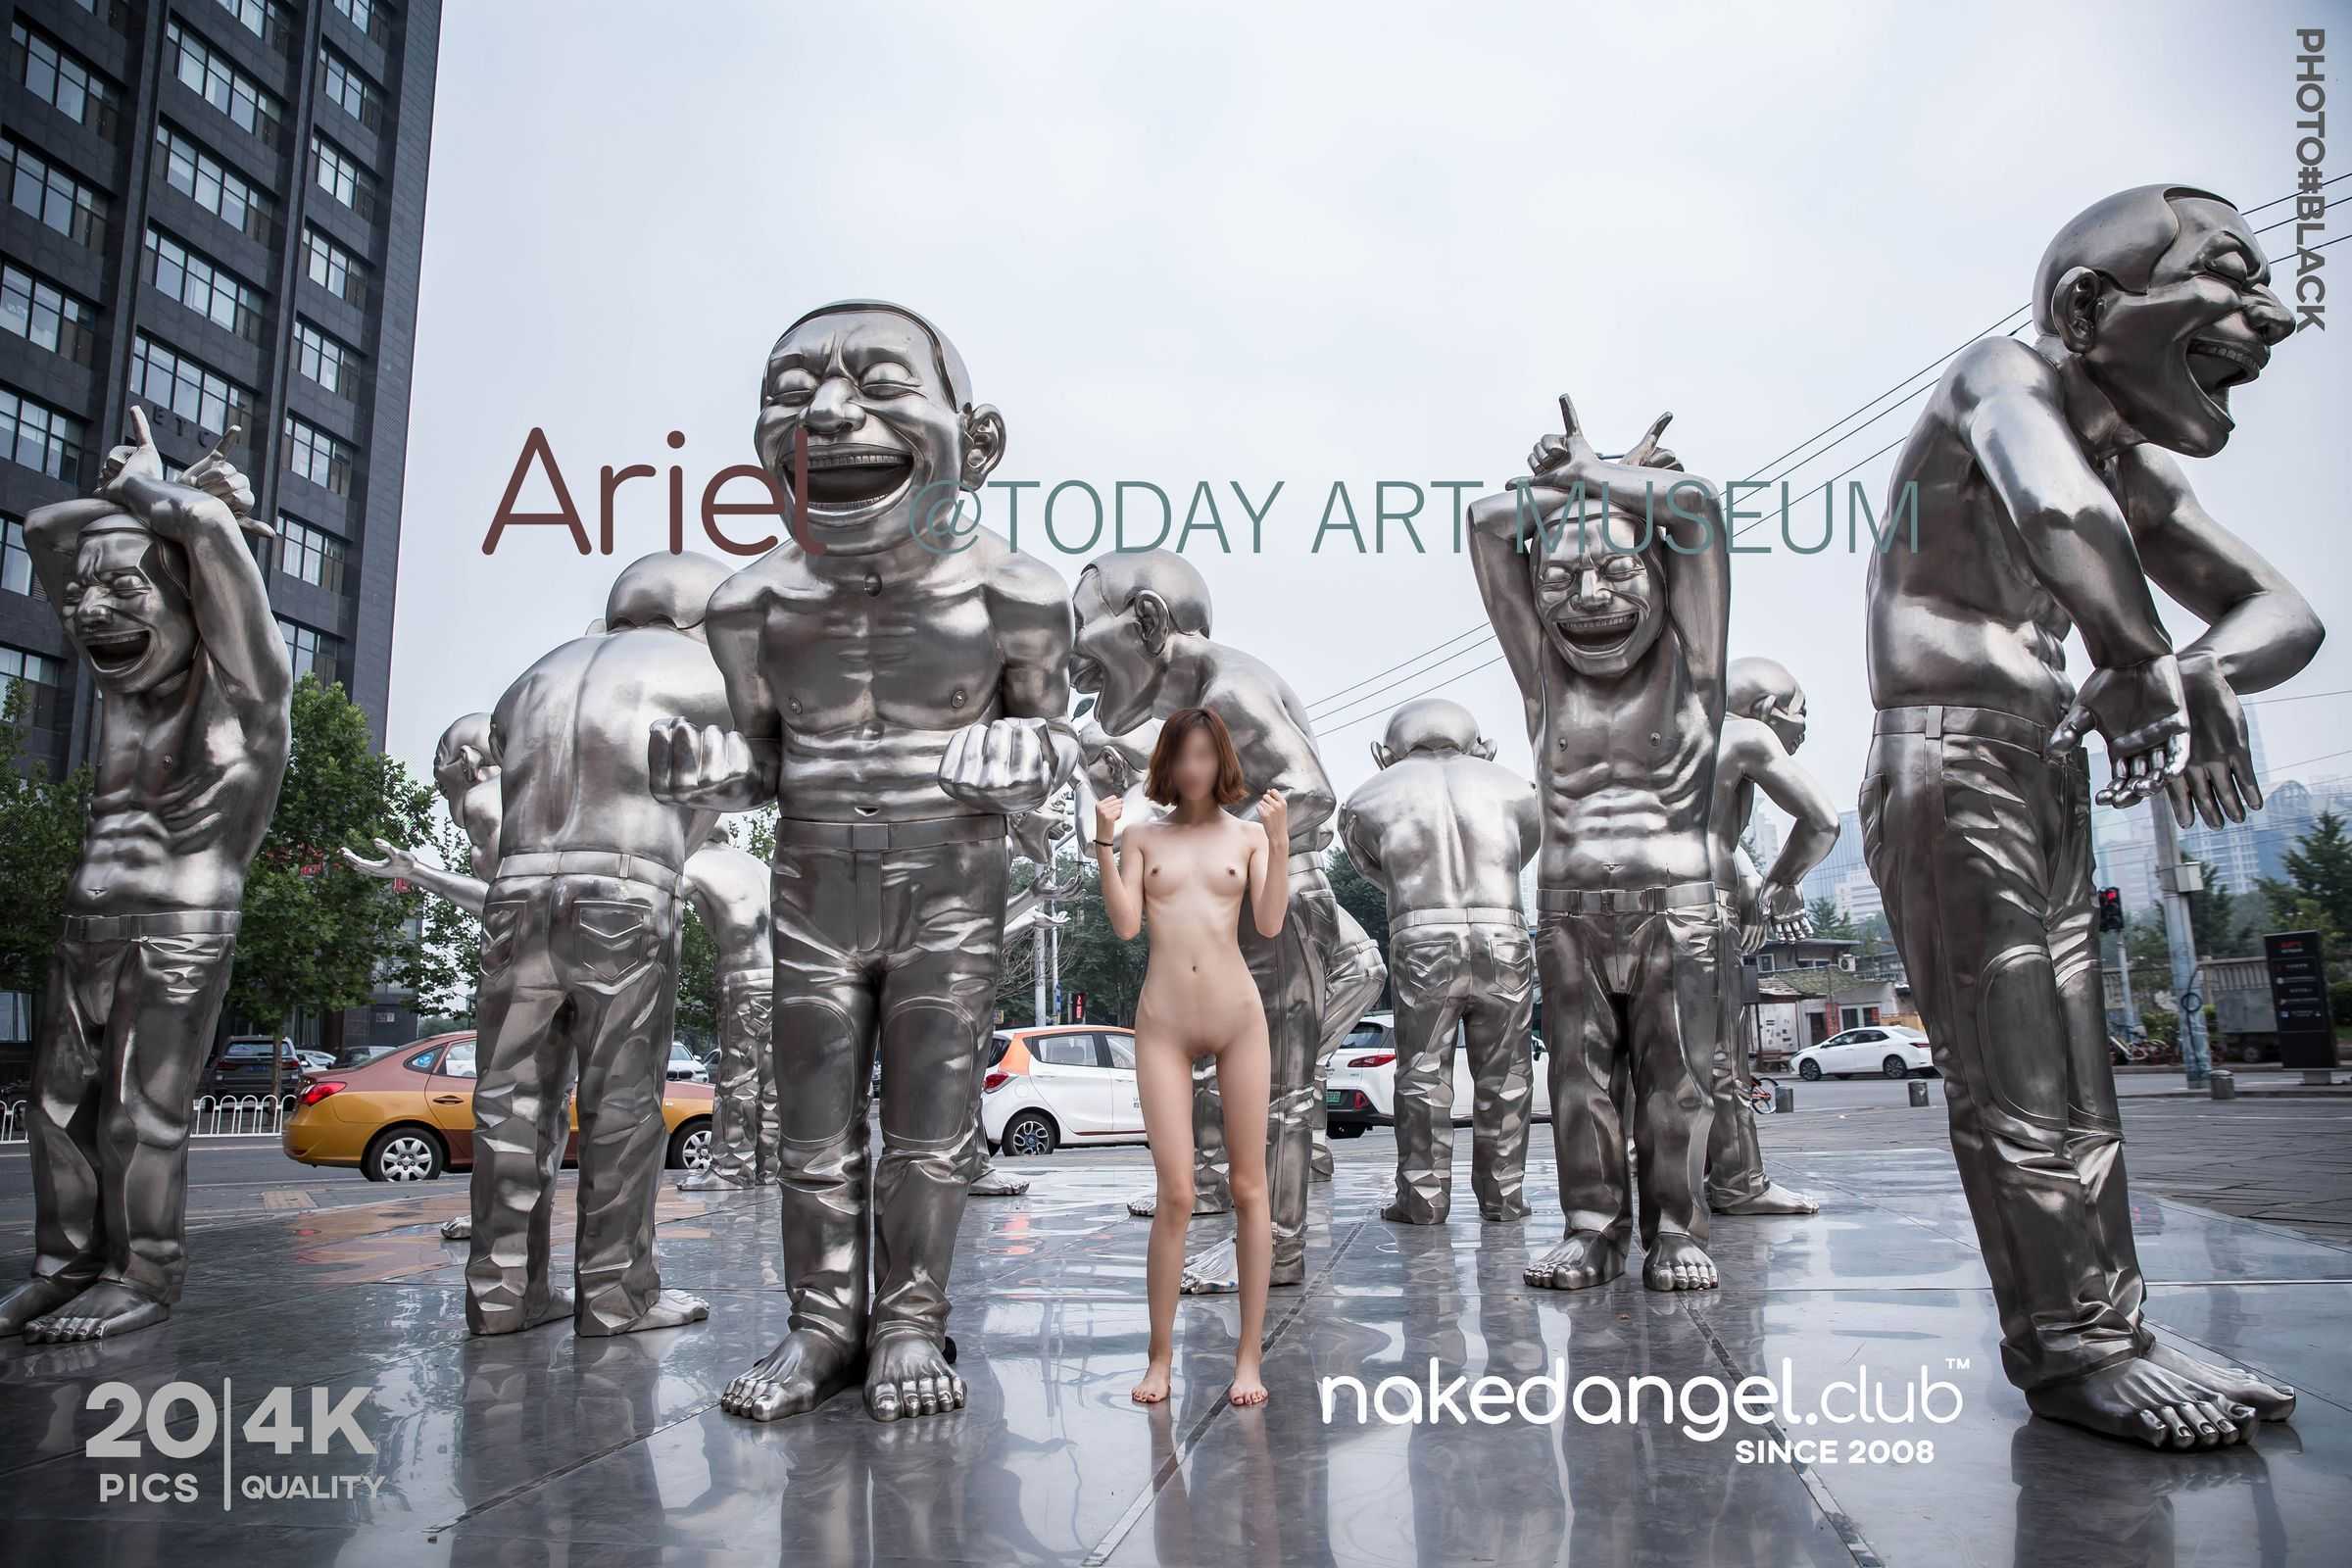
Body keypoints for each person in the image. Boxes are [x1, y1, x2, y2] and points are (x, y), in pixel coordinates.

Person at [1864, 184, 2313, 1446]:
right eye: (2228, 277)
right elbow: (2059, 512)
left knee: (2078, 1080)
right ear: (2084, 308)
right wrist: (2143, 656)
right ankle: (2067, 1351)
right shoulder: (1999, 375)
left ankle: (2116, 1324)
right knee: (2012, 1073)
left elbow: (2285, 610)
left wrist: (2197, 670)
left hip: (2043, 761)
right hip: (1947, 757)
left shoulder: (2128, 464)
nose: (2273, 316)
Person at [652, 301, 1079, 1423]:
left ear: (976, 443)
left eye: (879, 384)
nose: (832, 415)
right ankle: (821, 1324)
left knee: (932, 1125)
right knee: (813, 1126)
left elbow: (1052, 746)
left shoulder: (1018, 594)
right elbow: (762, 759)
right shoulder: (749, 605)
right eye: (794, 394)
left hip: (951, 883)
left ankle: (909, 1321)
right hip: (811, 884)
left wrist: (1029, 750)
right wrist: (714, 767)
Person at [0, 411, 289, 1343]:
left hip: (179, 924)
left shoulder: (246, 701)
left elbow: (202, 535)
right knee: (56, 1111)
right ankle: (63, 1267)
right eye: (87, 594)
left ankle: (143, 1273)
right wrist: (142, 505)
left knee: (138, 1112)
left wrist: (174, 500)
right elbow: (44, 528)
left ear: (192, 601)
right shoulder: (122, 692)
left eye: (125, 589)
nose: (93, 612)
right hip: (87, 918)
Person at [1466, 397, 1732, 1294]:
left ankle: (1678, 1231)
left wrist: (1594, 474)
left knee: (1679, 1079)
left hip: (1675, 901)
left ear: (1659, 574)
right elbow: (1487, 523)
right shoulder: (1545, 678)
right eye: (1562, 579)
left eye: (1618, 571)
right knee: (1576, 1083)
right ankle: (1592, 1228)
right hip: (1567, 905)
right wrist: (1587, 487)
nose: (1589, 599)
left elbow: (1697, 508)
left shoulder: (1694, 671)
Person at [1095, 707, 1287, 1406]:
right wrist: (1103, 843)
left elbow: (1269, 921)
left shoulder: (1249, 836)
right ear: (1167, 765)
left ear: (1221, 760)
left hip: (1238, 1020)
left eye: (1206, 755)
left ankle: (1248, 1359)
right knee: (1175, 1193)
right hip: (1164, 1025)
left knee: (1249, 1188)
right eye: (1183, 756)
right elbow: (1125, 925)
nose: (1195, 768)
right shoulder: (1143, 835)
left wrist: (1280, 841)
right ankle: (1160, 1358)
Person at [1338, 698, 1539, 1224]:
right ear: (1483, 747)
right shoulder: (1519, 789)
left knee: (1422, 1073)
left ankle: (1422, 1199)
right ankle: (1505, 1197)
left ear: (1384, 753)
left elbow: (1373, 869)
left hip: (1421, 933)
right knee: (1508, 1073)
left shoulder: (1364, 800)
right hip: (1505, 932)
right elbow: (1521, 853)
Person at [1704, 658, 1840, 1215]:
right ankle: (1739, 1182)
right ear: (1766, 710)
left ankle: (1643, 1169)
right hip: (1699, 909)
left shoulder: (1662, 734)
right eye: (1801, 711)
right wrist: (1780, 885)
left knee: (1640, 1054)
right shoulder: (1746, 736)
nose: (1804, 727)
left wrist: (1753, 881)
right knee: (1722, 1055)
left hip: (1612, 907)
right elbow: (1823, 822)